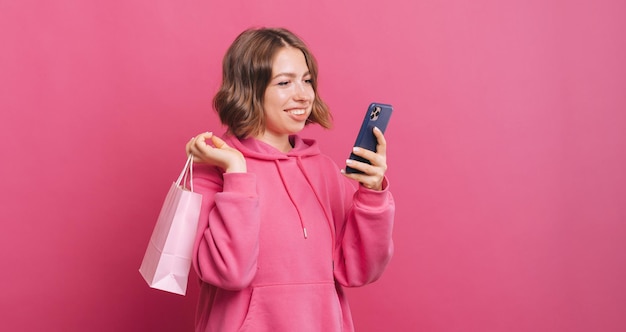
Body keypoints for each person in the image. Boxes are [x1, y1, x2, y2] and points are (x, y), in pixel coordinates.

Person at [185, 27, 395, 332]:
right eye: (284, 82)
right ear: (249, 90)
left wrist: (372, 194)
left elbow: (359, 271)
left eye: (307, 80)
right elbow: (229, 272)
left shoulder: (323, 170)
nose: (303, 95)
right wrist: (236, 172)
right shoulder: (212, 168)